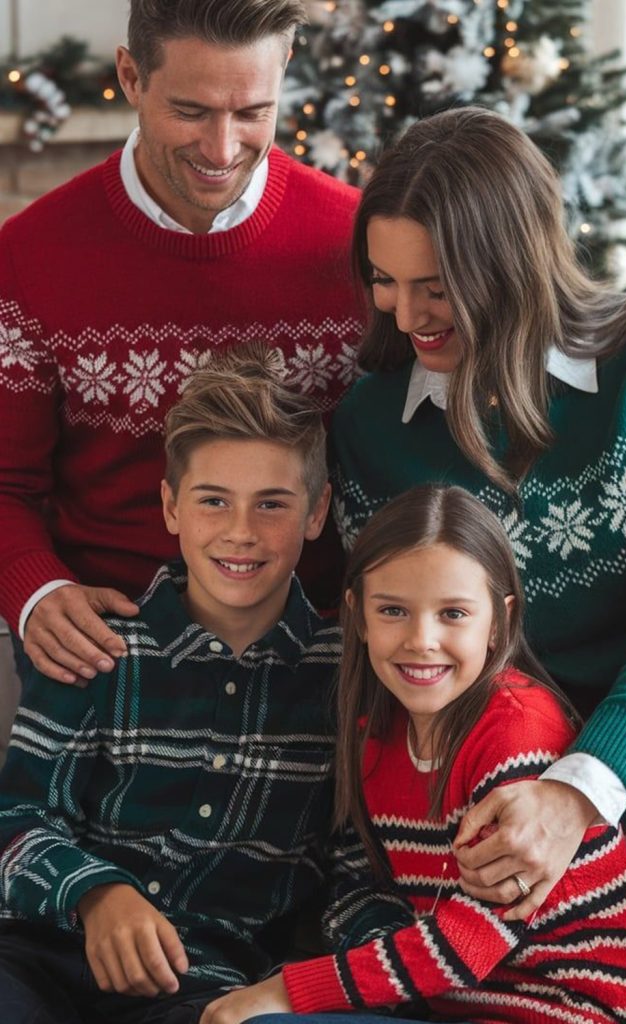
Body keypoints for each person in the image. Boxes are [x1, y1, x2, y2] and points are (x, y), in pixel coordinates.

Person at [327, 107, 626, 945]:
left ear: (509, 263)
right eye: (384, 280)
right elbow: (385, 648)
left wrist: (578, 793)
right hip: (485, 801)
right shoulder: (371, 426)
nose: (406, 314)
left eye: (436, 285)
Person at [0, 348, 405, 1024]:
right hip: (37, 955)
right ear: (171, 507)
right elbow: (16, 818)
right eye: (213, 501)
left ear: (316, 513)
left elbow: (354, 869)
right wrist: (98, 894)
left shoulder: (349, 677)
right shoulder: (100, 646)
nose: (240, 533)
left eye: (271, 504)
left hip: (204, 988)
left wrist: (390, 960)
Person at [196, 485, 626, 1024]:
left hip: (574, 1012)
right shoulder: (375, 734)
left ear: (499, 622)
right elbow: (362, 880)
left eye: (453, 614)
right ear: (359, 615)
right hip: (447, 1007)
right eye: (393, 610)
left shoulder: (518, 729)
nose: (421, 639)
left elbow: (470, 943)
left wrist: (289, 991)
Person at [0, 0, 362, 689]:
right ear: (131, 77)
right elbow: (5, 482)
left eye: (253, 112)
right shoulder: (25, 257)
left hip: (312, 649)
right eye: (192, 113)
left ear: (285, 68)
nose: (222, 151)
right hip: (104, 644)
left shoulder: (355, 246)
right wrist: (37, 592)